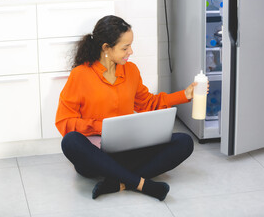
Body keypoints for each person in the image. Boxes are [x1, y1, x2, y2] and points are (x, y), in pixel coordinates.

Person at [56, 15, 200, 201]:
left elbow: (148, 104)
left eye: (130, 46)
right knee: (71, 141)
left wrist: (184, 95)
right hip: (95, 153)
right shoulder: (80, 75)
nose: (130, 51)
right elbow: (64, 122)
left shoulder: (131, 71)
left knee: (184, 142)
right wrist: (101, 127)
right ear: (106, 48)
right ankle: (142, 184)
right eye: (125, 47)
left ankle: (120, 182)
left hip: (127, 149)